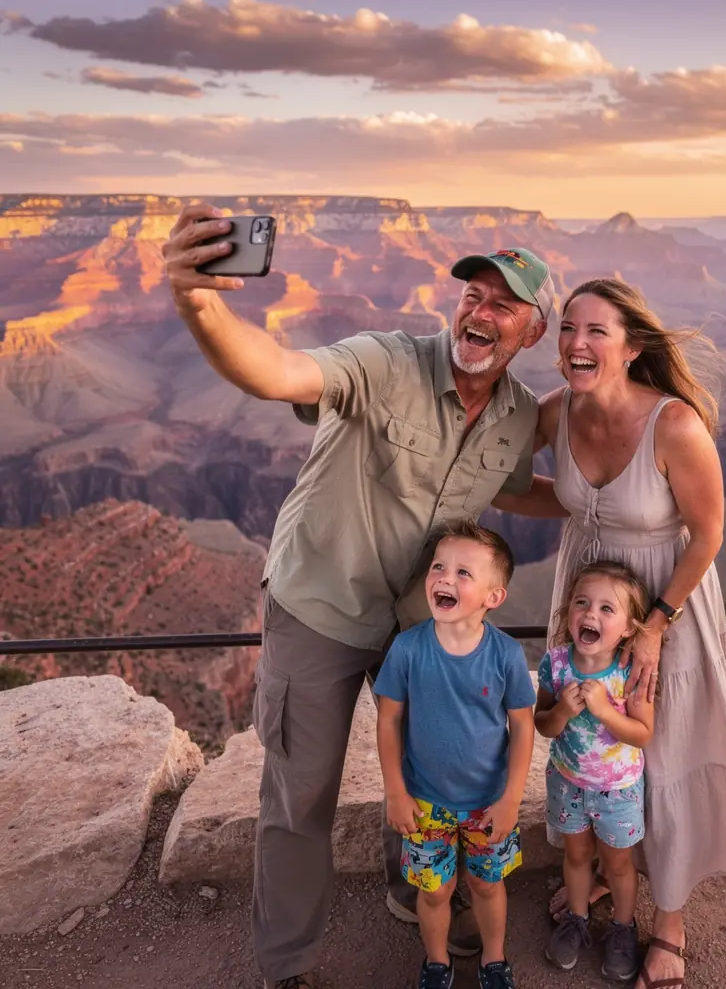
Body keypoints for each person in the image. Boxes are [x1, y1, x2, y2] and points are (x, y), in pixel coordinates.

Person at [161, 204, 555, 989]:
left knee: (430, 766)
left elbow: (512, 490)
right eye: (473, 295)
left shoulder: (516, 414)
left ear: (533, 331)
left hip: (420, 622)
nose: (481, 312)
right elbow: (277, 371)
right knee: (300, 794)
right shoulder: (384, 361)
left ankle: (417, 890)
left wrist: (612, 504)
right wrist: (199, 302)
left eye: (504, 304)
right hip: (321, 607)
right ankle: (287, 963)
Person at [495, 277, 726, 989]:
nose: (577, 343)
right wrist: (481, 487)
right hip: (588, 596)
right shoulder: (557, 411)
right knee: (592, 738)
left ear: (631, 346)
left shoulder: (674, 424)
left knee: (665, 752)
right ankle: (599, 868)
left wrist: (654, 626)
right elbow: (552, 493)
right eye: (568, 328)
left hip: (663, 601)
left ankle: (669, 918)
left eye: (597, 331)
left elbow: (708, 534)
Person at [376, 523, 535, 989]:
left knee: (487, 885)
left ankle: (494, 961)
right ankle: (437, 962)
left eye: (464, 572)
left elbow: (523, 726)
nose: (445, 577)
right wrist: (395, 792)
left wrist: (511, 798)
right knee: (434, 891)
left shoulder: (505, 655)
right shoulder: (408, 649)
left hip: (489, 803)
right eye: (439, 567)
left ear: (493, 596)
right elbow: (388, 720)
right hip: (425, 802)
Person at [535, 561, 655, 983]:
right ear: (567, 610)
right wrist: (562, 712)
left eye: (607, 608)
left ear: (628, 628)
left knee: (618, 865)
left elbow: (643, 733)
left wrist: (604, 710)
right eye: (582, 603)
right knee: (576, 856)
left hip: (618, 790)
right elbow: (542, 724)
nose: (591, 613)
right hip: (567, 783)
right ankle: (577, 918)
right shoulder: (555, 664)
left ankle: (623, 927)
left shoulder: (629, 672)